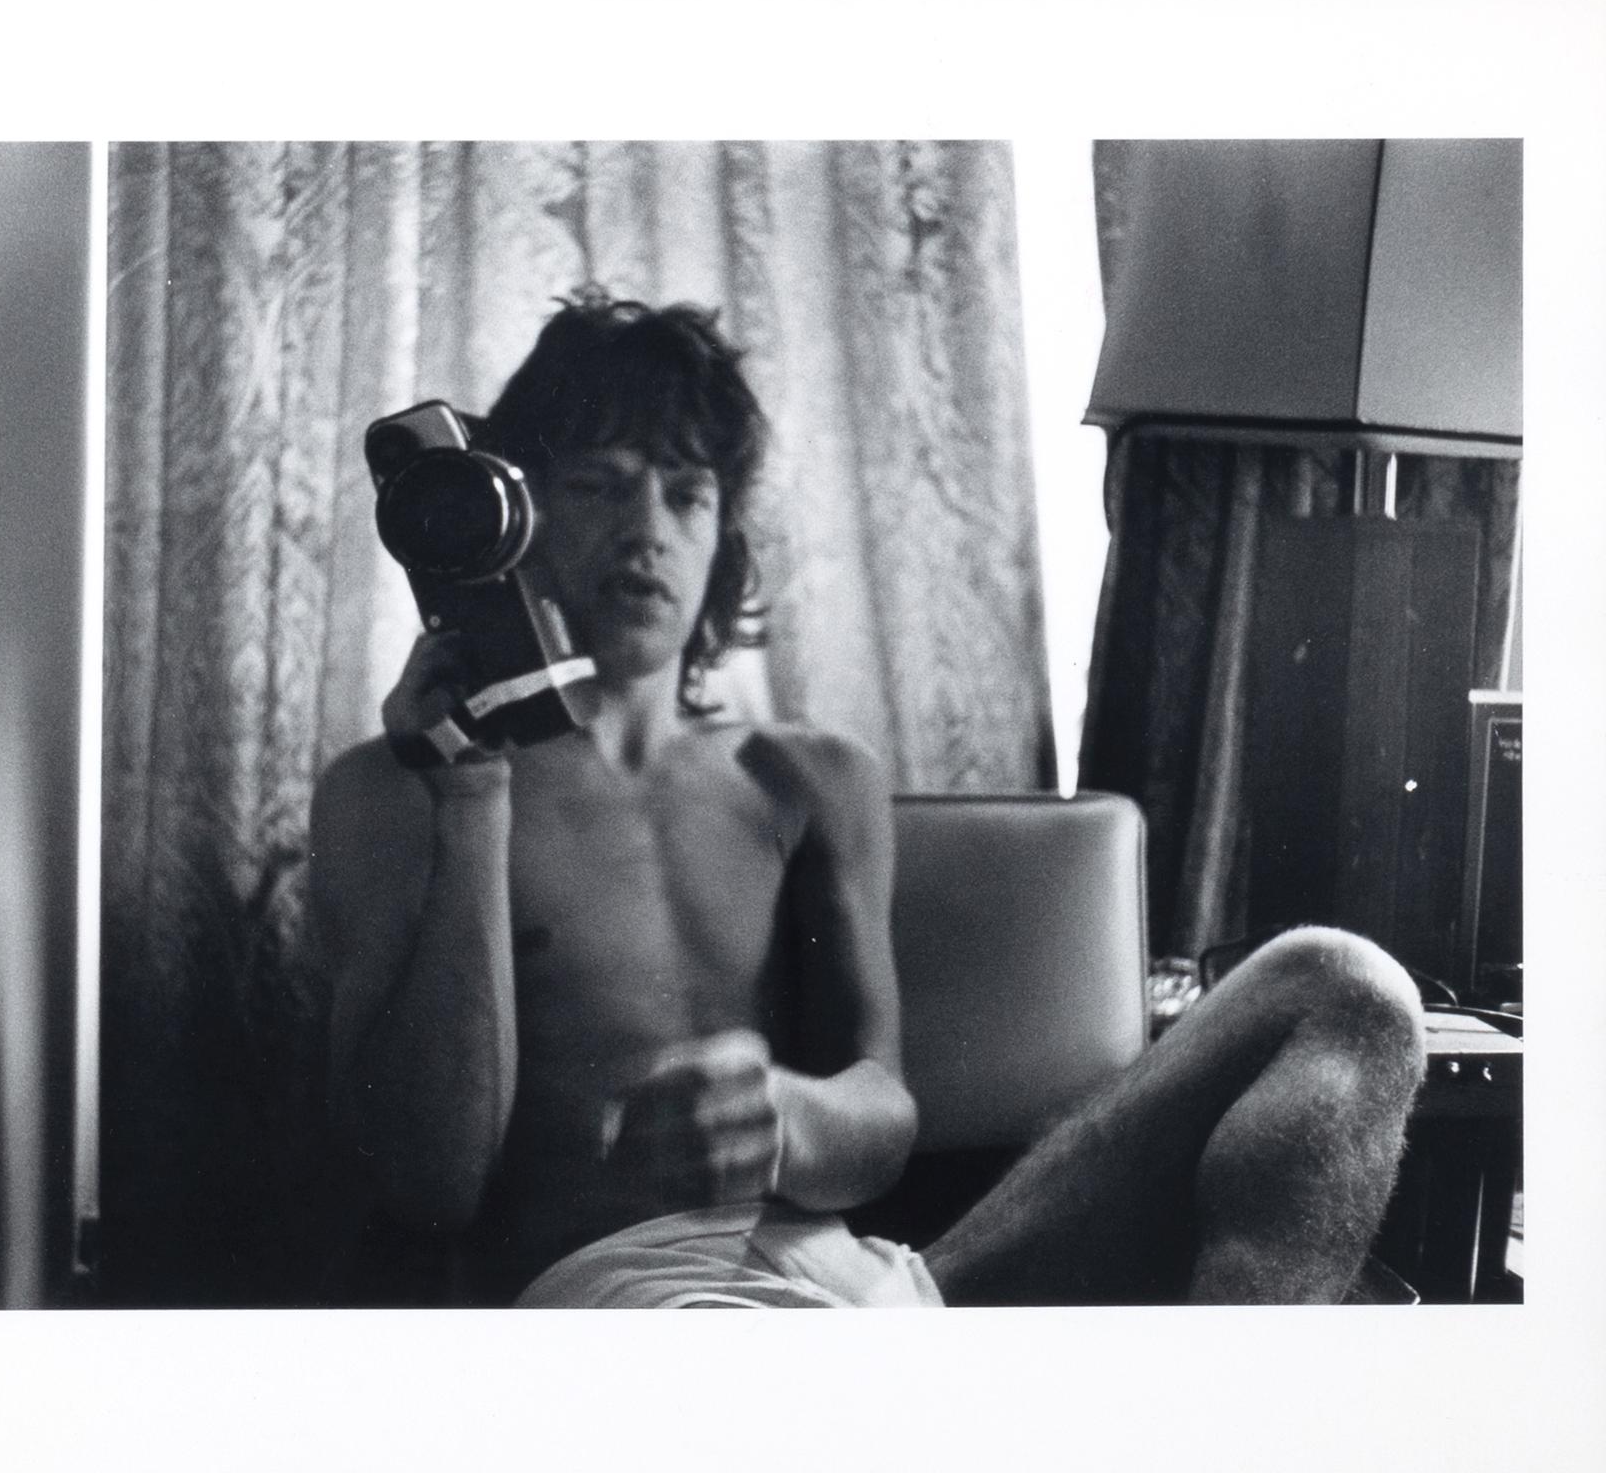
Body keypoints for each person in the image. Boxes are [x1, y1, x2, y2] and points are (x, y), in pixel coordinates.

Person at [309, 289, 1425, 1308]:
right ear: (517, 518)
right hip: (632, 1302)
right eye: (599, 484)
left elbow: (881, 1122)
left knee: (1342, 989)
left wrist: (788, 1116)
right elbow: (431, 1186)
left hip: (872, 1287)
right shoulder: (401, 791)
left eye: (687, 494)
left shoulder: (806, 778)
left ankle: (1246, 1416)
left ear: (721, 536)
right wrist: (471, 795)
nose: (647, 529)